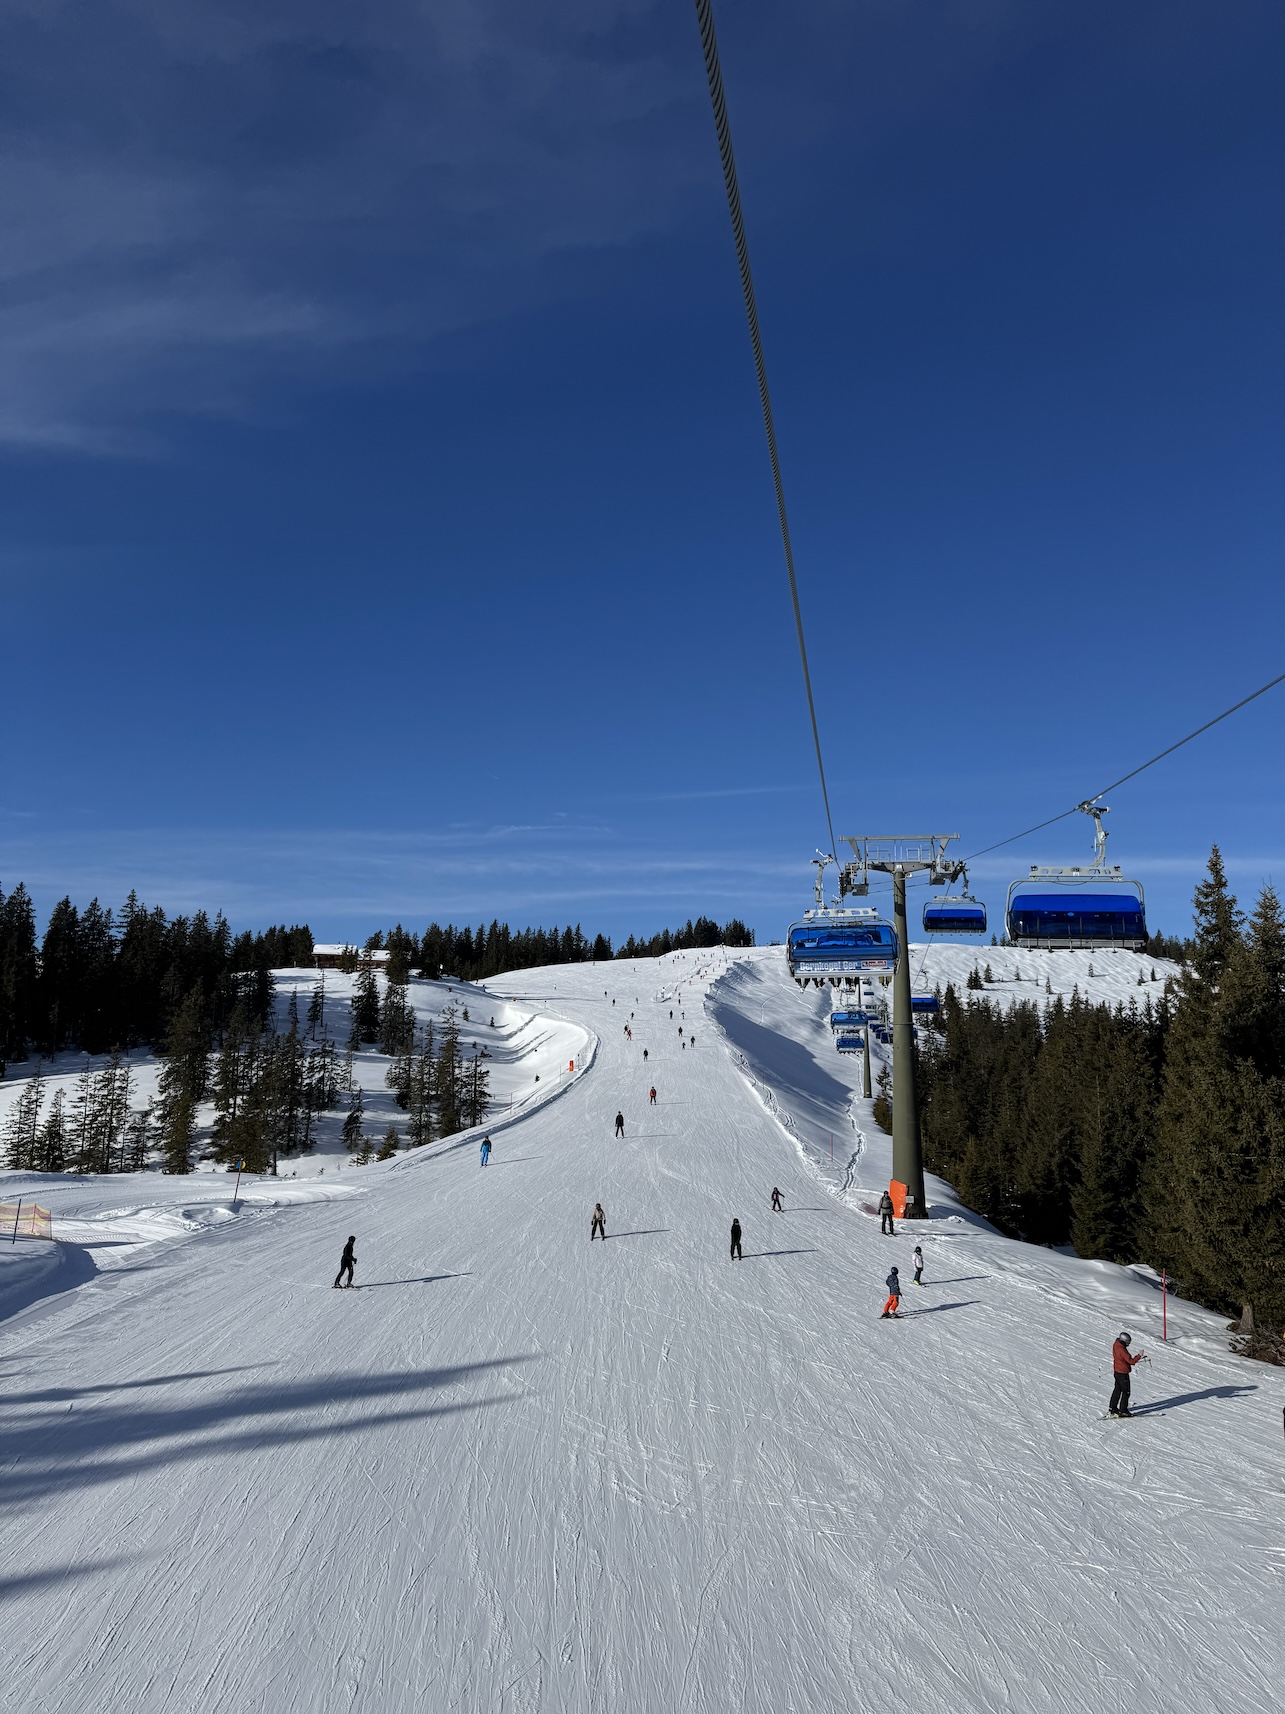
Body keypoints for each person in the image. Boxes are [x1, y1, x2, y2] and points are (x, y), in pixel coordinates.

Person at [1109, 1331, 1146, 1417]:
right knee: (1126, 1392)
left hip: (1117, 1371)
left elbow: (1124, 1359)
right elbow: (1131, 1361)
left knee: (1117, 1390)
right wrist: (1139, 1356)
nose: (1128, 1344)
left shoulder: (1116, 1344)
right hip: (1123, 1373)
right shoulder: (1122, 1349)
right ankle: (1123, 1411)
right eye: (1127, 1342)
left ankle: (1112, 1408)